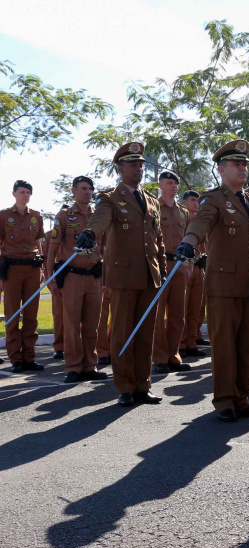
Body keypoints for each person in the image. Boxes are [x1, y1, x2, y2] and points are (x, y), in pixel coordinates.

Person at [176, 139, 249, 422]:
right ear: (221, 169)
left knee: (245, 347)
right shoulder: (213, 199)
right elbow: (200, 223)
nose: (242, 169)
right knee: (224, 346)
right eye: (236, 164)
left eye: (244, 164)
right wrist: (189, 242)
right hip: (223, 286)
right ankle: (224, 401)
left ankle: (242, 398)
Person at [79, 142, 167, 406]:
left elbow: (157, 238)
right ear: (120, 168)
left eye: (140, 165)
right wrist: (89, 234)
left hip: (149, 275)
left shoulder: (152, 201)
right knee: (122, 332)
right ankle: (125, 387)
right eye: (132, 165)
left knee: (145, 332)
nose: (138, 169)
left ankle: (143, 384)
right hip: (123, 275)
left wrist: (162, 269)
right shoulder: (109, 198)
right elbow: (100, 220)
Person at [47, 177, 108, 383]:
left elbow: (106, 247)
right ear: (73, 191)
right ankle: (73, 366)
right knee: (71, 324)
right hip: (72, 275)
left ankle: (90, 365)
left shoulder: (98, 217)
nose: (88, 192)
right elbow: (52, 250)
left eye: (90, 189)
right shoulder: (64, 216)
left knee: (92, 324)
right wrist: (50, 279)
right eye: (83, 188)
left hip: (94, 276)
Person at [0, 180, 46, 372]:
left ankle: (29, 356)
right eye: (22, 192)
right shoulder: (3, 216)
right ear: (14, 193)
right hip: (11, 268)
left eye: (28, 192)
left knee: (31, 314)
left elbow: (38, 241)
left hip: (32, 268)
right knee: (12, 313)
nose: (25, 195)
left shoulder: (36, 216)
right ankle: (15, 358)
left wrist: (42, 266)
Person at [152, 170, 192, 374]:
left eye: (175, 183)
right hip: (160, 263)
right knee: (158, 314)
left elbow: (188, 240)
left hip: (179, 265)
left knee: (178, 313)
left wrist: (189, 266)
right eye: (169, 182)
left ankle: (173, 356)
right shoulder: (153, 209)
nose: (174, 186)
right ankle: (159, 357)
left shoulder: (183, 212)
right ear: (160, 185)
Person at [179, 190, 207, 358]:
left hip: (199, 265)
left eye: (197, 200)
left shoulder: (203, 219)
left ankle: (192, 341)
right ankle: (181, 343)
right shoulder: (181, 217)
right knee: (183, 307)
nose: (196, 203)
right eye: (192, 200)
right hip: (185, 266)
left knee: (196, 307)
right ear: (184, 202)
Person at [42, 223, 65, 359]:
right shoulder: (50, 236)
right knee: (58, 315)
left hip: (76, 277)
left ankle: (76, 346)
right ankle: (59, 347)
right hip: (58, 278)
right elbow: (45, 261)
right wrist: (49, 281)